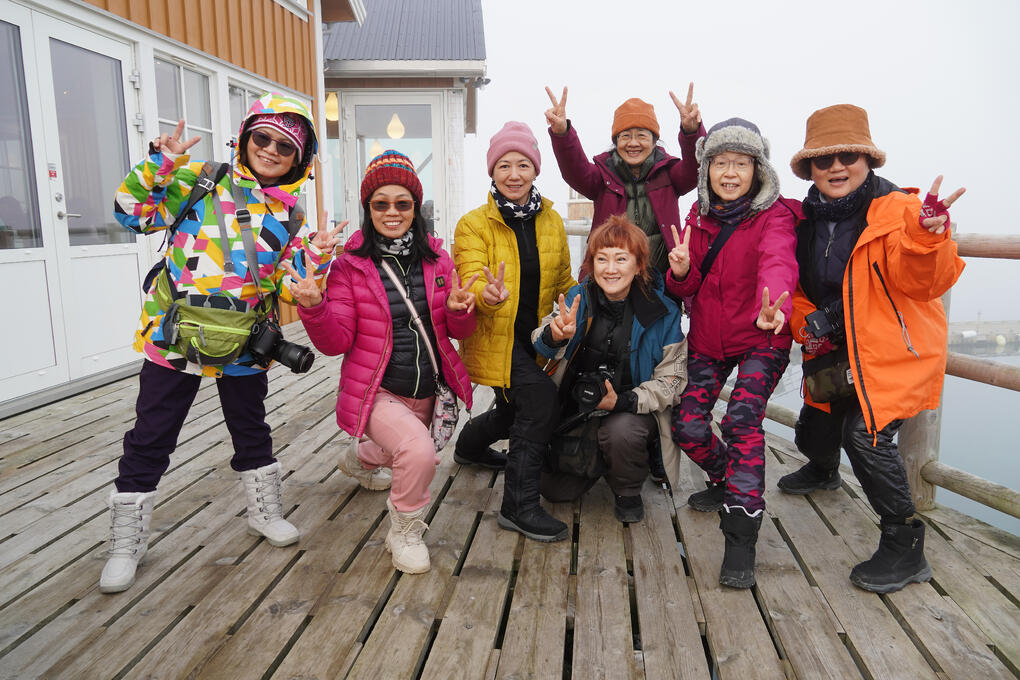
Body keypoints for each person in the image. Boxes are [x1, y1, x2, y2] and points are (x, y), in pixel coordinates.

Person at [103, 93, 338, 593]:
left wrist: (315, 257)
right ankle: (126, 541)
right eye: (263, 137)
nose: (271, 150)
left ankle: (263, 512)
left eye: (286, 146)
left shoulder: (291, 217)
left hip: (245, 343)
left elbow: (289, 286)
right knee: (151, 433)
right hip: (174, 337)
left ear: (300, 160)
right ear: (246, 136)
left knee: (251, 429)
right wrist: (160, 165)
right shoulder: (199, 181)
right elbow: (130, 214)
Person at [778, 104, 965, 593]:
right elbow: (796, 287)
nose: (837, 167)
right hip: (832, 350)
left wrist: (928, 238)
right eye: (824, 160)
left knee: (864, 436)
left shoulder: (903, 211)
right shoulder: (803, 220)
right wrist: (806, 323)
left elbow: (926, 282)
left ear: (868, 160)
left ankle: (905, 544)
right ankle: (823, 470)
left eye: (849, 156)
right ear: (810, 170)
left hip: (894, 352)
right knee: (815, 426)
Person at [288, 150, 477, 574]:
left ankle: (361, 458)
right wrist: (315, 307)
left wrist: (462, 310)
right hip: (378, 391)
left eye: (402, 203)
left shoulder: (439, 260)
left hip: (428, 388)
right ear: (368, 209)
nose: (392, 212)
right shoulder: (349, 267)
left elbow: (457, 331)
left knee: (405, 451)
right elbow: (336, 342)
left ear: (416, 208)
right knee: (418, 452)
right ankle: (404, 532)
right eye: (381, 204)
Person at [666, 118, 799, 588]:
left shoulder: (775, 216)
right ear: (706, 169)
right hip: (709, 336)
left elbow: (778, 260)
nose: (729, 172)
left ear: (757, 169)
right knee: (687, 424)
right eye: (720, 162)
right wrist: (680, 271)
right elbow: (687, 288)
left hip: (763, 333)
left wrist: (775, 304)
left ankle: (741, 531)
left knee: (742, 419)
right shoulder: (697, 216)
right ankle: (726, 478)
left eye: (741, 163)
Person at [453, 121, 576, 542]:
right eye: (504, 165)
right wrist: (487, 294)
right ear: (492, 171)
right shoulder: (473, 224)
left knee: (512, 411)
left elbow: (563, 281)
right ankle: (518, 507)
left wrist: (584, 302)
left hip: (536, 337)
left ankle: (469, 447)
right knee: (539, 401)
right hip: (495, 338)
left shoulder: (552, 220)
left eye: (523, 164)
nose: (514, 174)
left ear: (535, 170)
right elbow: (469, 278)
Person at [534, 216, 687, 522]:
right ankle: (598, 459)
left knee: (621, 433)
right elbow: (541, 340)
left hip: (631, 411)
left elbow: (673, 380)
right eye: (601, 259)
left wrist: (623, 401)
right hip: (579, 408)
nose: (610, 268)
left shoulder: (662, 311)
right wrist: (555, 334)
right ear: (592, 264)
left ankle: (627, 489)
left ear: (639, 265)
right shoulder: (579, 298)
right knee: (554, 491)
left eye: (621, 258)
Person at [544, 83, 705, 275]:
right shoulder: (602, 176)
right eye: (626, 136)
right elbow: (575, 171)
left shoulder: (669, 173)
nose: (633, 143)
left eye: (642, 136)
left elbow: (695, 168)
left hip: (661, 279)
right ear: (616, 141)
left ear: (655, 141)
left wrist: (691, 132)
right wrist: (562, 133)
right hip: (609, 278)